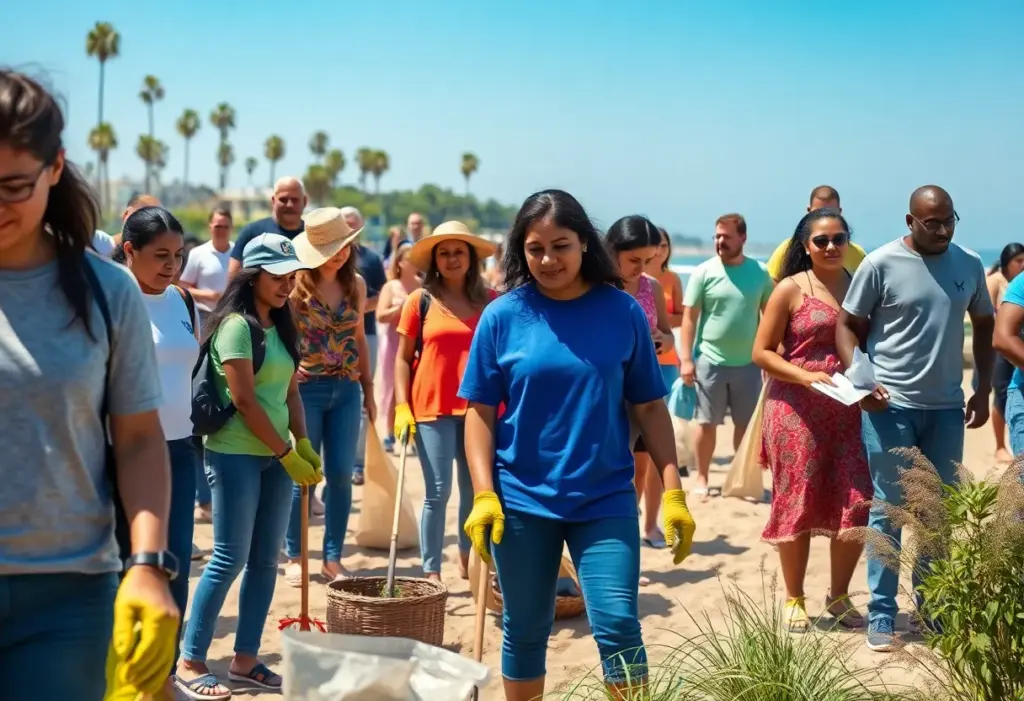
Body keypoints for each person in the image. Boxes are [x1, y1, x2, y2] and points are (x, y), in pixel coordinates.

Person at [457, 190, 696, 701]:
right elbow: (478, 412)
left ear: (585, 244)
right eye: (534, 248)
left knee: (617, 625)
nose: (547, 259)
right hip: (521, 500)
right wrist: (483, 493)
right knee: (524, 629)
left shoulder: (623, 312)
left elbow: (650, 407)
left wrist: (672, 490)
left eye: (560, 245)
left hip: (605, 497)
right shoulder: (502, 316)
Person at [0, 69, 178, 701]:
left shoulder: (109, 292)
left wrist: (149, 566)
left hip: (68, 599)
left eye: (13, 186)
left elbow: (136, 440)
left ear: (55, 167)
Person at [836, 185, 994, 653]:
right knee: (889, 508)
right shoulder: (880, 263)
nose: (943, 230)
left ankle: (933, 609)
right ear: (910, 222)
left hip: (946, 409)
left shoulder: (968, 264)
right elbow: (846, 326)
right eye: (932, 222)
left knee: (937, 512)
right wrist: (861, 379)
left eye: (949, 220)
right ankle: (882, 615)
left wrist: (983, 387)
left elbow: (984, 323)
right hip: (891, 407)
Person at [176, 233, 321, 697]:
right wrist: (285, 452)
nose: (286, 285)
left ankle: (245, 658)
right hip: (236, 452)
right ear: (254, 275)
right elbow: (244, 400)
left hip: (278, 456)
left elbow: (289, 392)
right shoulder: (237, 326)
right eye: (277, 276)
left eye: (291, 276)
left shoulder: (282, 324)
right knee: (227, 558)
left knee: (265, 562)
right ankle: (191, 657)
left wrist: (303, 443)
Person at [752, 208, 872, 632]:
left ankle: (838, 597)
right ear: (805, 246)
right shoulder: (790, 288)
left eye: (839, 238)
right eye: (821, 240)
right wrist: (805, 375)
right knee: (797, 502)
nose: (831, 246)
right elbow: (762, 351)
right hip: (794, 409)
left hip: (848, 411)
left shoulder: (860, 287)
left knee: (855, 502)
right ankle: (794, 598)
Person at [112, 206, 202, 686]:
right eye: (161, 255)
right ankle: (121, 677)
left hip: (179, 448)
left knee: (175, 566)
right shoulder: (112, 298)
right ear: (130, 251)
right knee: (126, 566)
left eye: (179, 255)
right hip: (121, 454)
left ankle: (163, 679)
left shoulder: (183, 302)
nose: (172, 266)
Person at [394, 221, 496, 581]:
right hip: (430, 407)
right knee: (437, 491)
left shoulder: (492, 301)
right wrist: (401, 406)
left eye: (459, 252)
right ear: (435, 260)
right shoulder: (419, 300)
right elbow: (403, 358)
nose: (452, 259)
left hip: (478, 411)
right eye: (444, 253)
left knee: (475, 489)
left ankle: (469, 556)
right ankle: (431, 570)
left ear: (471, 258)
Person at [285, 208, 375, 583]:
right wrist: (290, 370)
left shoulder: (356, 283)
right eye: (330, 249)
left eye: (343, 246)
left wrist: (369, 391)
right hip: (307, 391)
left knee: (341, 475)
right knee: (304, 475)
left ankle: (332, 558)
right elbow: (278, 336)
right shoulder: (293, 285)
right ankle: (294, 555)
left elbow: (358, 340)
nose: (338, 254)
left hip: (347, 388)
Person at [680, 213, 774, 499]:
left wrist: (769, 357)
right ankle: (702, 477)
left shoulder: (759, 273)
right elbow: (689, 319)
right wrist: (686, 358)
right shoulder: (704, 272)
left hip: (748, 363)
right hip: (710, 360)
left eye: (726, 236)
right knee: (706, 424)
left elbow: (769, 316)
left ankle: (739, 478)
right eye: (717, 237)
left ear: (742, 238)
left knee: (745, 427)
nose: (720, 242)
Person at [605, 215, 675, 551]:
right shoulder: (596, 287)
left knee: (641, 469)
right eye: (634, 260)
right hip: (606, 396)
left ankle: (631, 540)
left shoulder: (652, 287)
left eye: (648, 260)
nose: (641, 268)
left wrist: (662, 339)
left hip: (644, 392)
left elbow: (669, 335)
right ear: (612, 250)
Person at [340, 206, 387, 486]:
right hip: (331, 343)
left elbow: (382, 293)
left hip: (365, 334)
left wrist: (357, 309)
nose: (349, 229)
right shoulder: (325, 261)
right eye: (344, 224)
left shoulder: (370, 258)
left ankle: (357, 463)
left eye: (353, 224)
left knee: (360, 404)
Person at [766, 186, 867, 281]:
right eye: (820, 241)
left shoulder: (858, 254)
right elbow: (771, 286)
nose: (824, 218)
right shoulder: (788, 250)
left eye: (830, 213)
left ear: (840, 212)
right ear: (809, 212)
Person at [375, 242, 421, 453]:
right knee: (391, 390)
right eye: (408, 258)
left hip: (416, 343)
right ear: (400, 262)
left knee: (412, 388)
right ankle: (388, 433)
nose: (413, 262)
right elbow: (380, 316)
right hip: (393, 342)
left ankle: (409, 436)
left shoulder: (422, 286)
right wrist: (399, 309)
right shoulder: (390, 286)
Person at [983, 243, 1024, 462]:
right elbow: (988, 319)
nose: (1022, 265)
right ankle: (1000, 445)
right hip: (1004, 350)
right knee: (999, 394)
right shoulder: (997, 281)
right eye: (1018, 261)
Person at [227, 177, 306, 279]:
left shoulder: (313, 235)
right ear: (273, 201)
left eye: (295, 200)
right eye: (283, 199)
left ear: (304, 201)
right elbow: (234, 276)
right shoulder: (253, 233)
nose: (289, 205)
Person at [180, 207, 235, 330]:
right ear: (209, 226)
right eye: (218, 226)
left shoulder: (238, 253)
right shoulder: (198, 253)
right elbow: (184, 286)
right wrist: (208, 295)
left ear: (232, 228)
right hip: (204, 316)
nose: (221, 231)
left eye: (225, 227)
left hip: (233, 316)